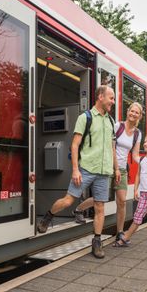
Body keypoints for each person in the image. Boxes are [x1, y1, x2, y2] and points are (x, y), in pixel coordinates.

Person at [36, 85, 117, 259]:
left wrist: (115, 168)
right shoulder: (85, 117)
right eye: (111, 98)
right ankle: (48, 216)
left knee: (100, 207)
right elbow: (74, 145)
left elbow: (112, 147)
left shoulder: (110, 121)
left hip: (104, 172)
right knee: (68, 201)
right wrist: (75, 170)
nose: (113, 101)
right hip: (86, 169)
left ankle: (96, 241)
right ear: (100, 97)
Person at [73, 103, 143, 241]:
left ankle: (120, 232)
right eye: (132, 111)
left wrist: (146, 162)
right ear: (127, 112)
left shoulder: (137, 134)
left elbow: (134, 155)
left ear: (139, 116)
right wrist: (115, 168)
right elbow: (111, 148)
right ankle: (78, 209)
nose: (133, 114)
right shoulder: (117, 126)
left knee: (122, 201)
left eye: (137, 113)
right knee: (100, 198)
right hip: (107, 166)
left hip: (122, 170)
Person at [112, 132, 147, 253]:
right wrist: (135, 189)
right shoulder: (142, 160)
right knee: (137, 217)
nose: (145, 143)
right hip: (144, 193)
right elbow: (137, 175)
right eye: (145, 141)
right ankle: (125, 238)